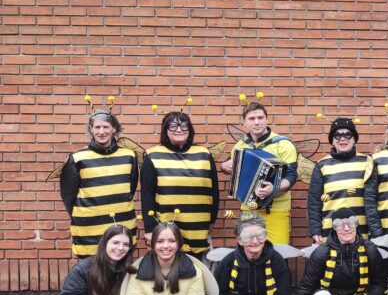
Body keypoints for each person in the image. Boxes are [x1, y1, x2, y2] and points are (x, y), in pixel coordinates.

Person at [59, 108, 138, 257]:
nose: (102, 132)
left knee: (121, 269)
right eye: (97, 127)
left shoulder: (129, 156)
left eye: (106, 127)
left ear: (114, 129)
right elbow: (68, 196)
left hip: (122, 224)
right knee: (89, 270)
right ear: (91, 129)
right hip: (88, 228)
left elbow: (129, 190)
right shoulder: (77, 158)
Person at [141, 111, 219, 257]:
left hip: (198, 228)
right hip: (167, 228)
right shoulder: (152, 155)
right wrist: (150, 229)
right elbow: (147, 195)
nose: (179, 129)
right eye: (173, 125)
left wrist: (212, 222)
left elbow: (214, 192)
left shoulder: (204, 154)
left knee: (196, 268)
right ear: (165, 130)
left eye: (184, 125)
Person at [220, 101, 299, 245]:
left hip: (276, 210)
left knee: (278, 253)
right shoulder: (239, 146)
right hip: (248, 210)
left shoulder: (283, 144)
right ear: (244, 122)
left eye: (260, 118)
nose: (257, 122)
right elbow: (230, 168)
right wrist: (224, 166)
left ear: (267, 119)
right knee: (249, 252)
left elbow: (292, 176)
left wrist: (274, 188)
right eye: (251, 118)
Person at [307, 117, 371, 241]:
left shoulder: (367, 162)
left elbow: (373, 199)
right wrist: (315, 230)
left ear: (354, 139)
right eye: (337, 135)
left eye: (347, 135)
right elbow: (314, 201)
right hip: (330, 232)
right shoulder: (321, 165)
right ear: (332, 141)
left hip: (361, 231)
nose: (342, 139)